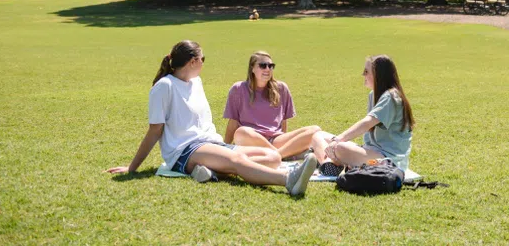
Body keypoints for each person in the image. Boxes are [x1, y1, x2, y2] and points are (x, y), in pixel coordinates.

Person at [106, 40, 317, 196]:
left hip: (210, 142)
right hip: (185, 150)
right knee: (237, 160)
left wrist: (221, 145)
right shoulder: (164, 87)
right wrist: (132, 167)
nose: (203, 64)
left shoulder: (196, 82)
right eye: (202, 59)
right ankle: (289, 180)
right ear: (193, 61)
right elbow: (155, 131)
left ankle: (211, 172)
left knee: (273, 157)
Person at [310, 55, 414, 177]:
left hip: (388, 160)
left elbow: (367, 123)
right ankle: (329, 164)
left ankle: (336, 162)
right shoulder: (374, 94)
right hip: (371, 151)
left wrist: (338, 139)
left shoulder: (391, 97)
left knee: (340, 147)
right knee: (318, 135)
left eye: (366, 71)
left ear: (378, 74)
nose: (363, 75)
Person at [223, 51, 321, 160]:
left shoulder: (281, 88)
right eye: (263, 65)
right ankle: (286, 154)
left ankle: (277, 155)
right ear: (252, 68)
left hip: (276, 140)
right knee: (241, 132)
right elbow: (233, 123)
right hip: (251, 141)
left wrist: (285, 142)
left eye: (271, 66)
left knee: (315, 130)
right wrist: (224, 149)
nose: (267, 69)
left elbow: (283, 123)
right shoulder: (238, 89)